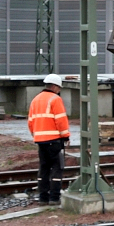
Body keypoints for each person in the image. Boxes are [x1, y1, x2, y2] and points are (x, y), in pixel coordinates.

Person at [27, 74, 70, 204]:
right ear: (55, 86)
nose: (59, 90)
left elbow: (30, 122)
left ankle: (43, 198)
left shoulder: (35, 99)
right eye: (59, 88)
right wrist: (65, 136)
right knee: (57, 168)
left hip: (40, 140)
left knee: (44, 168)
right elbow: (61, 120)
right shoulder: (55, 99)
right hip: (54, 140)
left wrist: (36, 135)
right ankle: (54, 197)